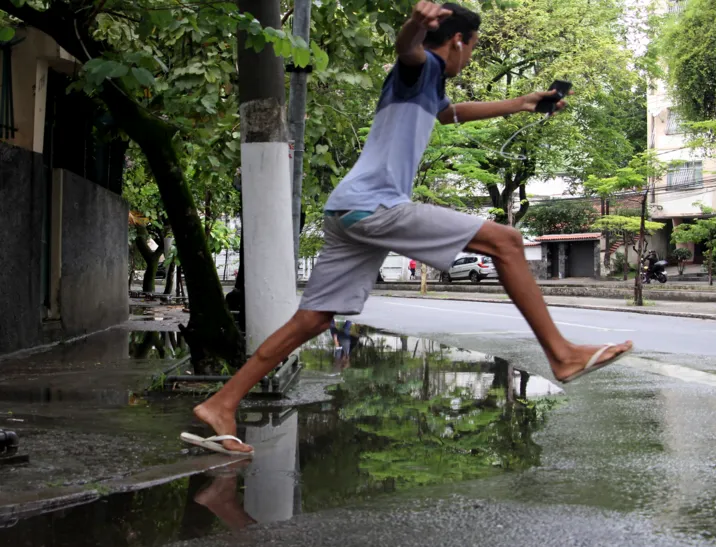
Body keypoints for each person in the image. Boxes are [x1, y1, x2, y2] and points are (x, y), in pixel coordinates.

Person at [187, 1, 632, 455]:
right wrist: (416, 27)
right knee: (507, 241)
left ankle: (222, 403)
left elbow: (449, 114)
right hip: (374, 206)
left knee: (313, 319)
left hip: (347, 211)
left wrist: (521, 104)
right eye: (472, 49)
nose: (470, 59)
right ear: (457, 42)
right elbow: (407, 50)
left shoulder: (431, 86)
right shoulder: (422, 66)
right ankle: (561, 353)